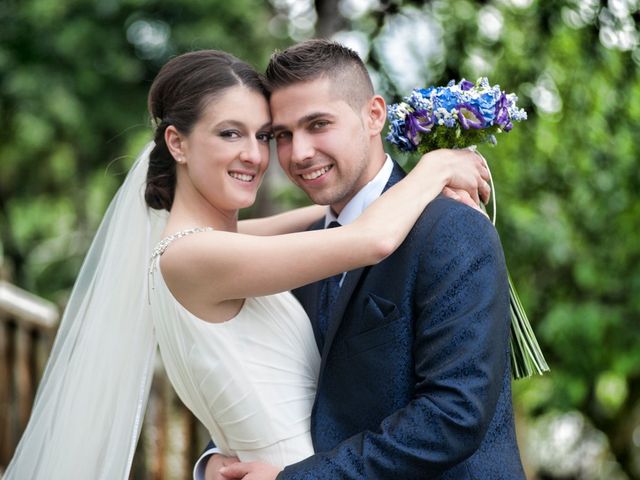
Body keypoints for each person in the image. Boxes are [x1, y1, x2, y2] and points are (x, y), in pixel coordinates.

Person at [4, 50, 489, 479]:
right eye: (231, 133)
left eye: (262, 135)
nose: (256, 155)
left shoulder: (218, 246)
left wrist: (214, 460)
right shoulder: (196, 256)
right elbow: (370, 237)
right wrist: (437, 166)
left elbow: (331, 222)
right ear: (177, 143)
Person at [201, 40, 526, 480]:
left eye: (318, 124)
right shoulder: (301, 249)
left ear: (374, 115)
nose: (298, 153)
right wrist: (220, 454)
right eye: (282, 135)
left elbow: (452, 416)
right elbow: (276, 377)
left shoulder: (451, 228)